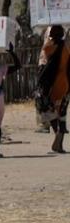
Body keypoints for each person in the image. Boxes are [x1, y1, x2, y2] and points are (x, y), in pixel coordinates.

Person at [38, 25, 70, 153]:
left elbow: (43, 57)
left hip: (52, 84)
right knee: (62, 113)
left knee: (47, 110)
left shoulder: (49, 47)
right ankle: (60, 144)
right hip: (65, 84)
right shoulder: (66, 49)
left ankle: (56, 132)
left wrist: (48, 39)